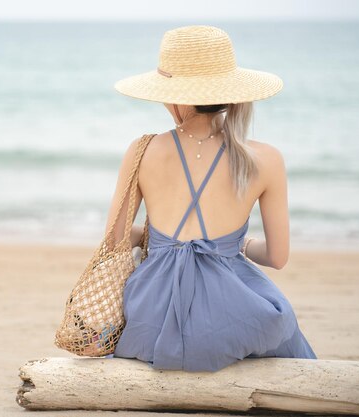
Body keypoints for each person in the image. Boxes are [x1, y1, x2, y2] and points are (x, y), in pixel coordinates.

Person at [103, 25, 317, 372]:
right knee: (281, 326)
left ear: (172, 93)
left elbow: (114, 240)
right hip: (229, 317)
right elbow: (277, 257)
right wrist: (241, 245)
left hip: (152, 317)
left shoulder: (141, 150)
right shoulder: (266, 158)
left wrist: (157, 240)